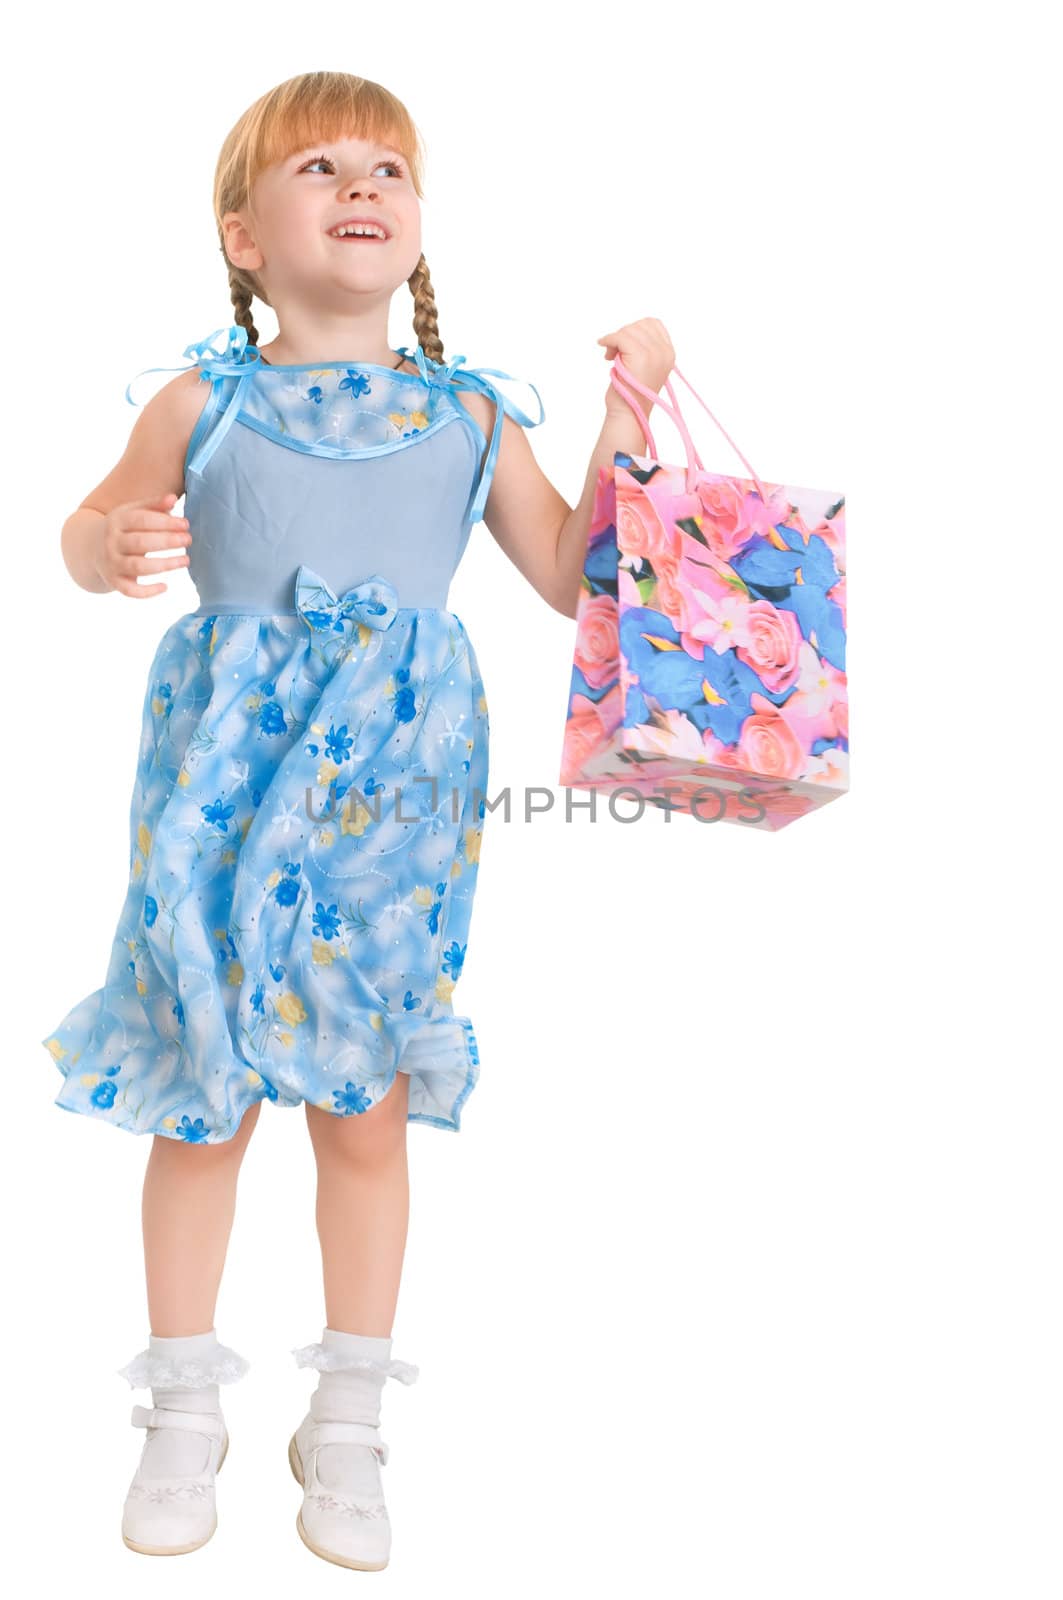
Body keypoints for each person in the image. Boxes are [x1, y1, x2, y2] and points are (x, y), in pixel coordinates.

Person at [39, 69, 676, 1570]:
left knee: (364, 1102)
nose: (360, 185)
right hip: (220, 782)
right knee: (209, 1087)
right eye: (318, 166)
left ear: (417, 224)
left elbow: (584, 577)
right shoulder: (205, 401)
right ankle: (183, 1404)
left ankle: (348, 1419)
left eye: (387, 165)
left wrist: (630, 402)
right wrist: (108, 542)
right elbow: (85, 524)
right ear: (244, 235)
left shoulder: (465, 418)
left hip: (393, 797)